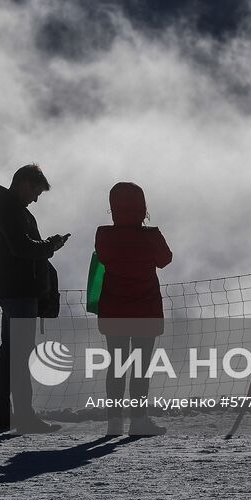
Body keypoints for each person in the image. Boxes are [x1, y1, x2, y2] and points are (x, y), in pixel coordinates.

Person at [0, 163, 68, 433]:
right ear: (24, 184)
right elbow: (21, 247)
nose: (35, 199)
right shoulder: (10, 210)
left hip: (12, 291)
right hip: (19, 291)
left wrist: (47, 245)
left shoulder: (5, 208)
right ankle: (23, 416)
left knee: (10, 353)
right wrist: (50, 246)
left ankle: (3, 417)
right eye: (36, 192)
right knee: (19, 355)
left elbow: (21, 246)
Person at [94, 182, 172, 435]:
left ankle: (114, 421)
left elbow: (102, 258)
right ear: (142, 207)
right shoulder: (151, 236)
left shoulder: (104, 235)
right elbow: (165, 259)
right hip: (145, 309)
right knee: (140, 366)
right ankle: (138, 420)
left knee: (116, 365)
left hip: (113, 308)